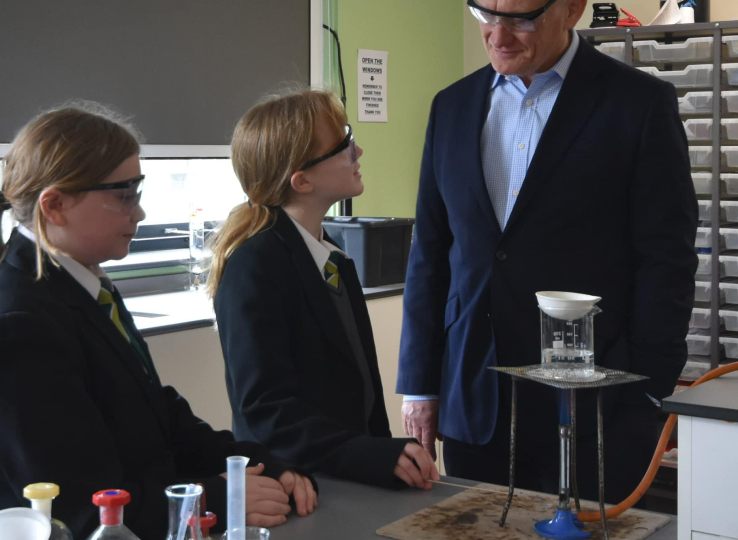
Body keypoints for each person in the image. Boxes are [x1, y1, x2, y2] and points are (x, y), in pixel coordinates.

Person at [0, 104, 316, 540]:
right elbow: (81, 507)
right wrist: (219, 497)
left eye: (137, 192)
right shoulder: (15, 326)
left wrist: (254, 463)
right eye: (124, 195)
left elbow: (155, 416)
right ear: (55, 206)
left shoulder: (82, 284)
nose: (139, 213)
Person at [398, 0, 697, 504]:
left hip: (598, 406)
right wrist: (420, 386)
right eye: (485, 15)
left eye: (521, 18)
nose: (498, 36)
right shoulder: (451, 106)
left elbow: (667, 257)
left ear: (572, 9)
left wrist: (648, 384)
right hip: (476, 403)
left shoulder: (638, 103)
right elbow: (430, 253)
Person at [209, 89, 439, 490]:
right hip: (300, 487)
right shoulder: (255, 266)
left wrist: (383, 458)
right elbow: (268, 412)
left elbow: (360, 392)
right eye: (343, 145)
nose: (358, 151)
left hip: (348, 481)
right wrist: (369, 455)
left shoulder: (332, 256)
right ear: (302, 180)